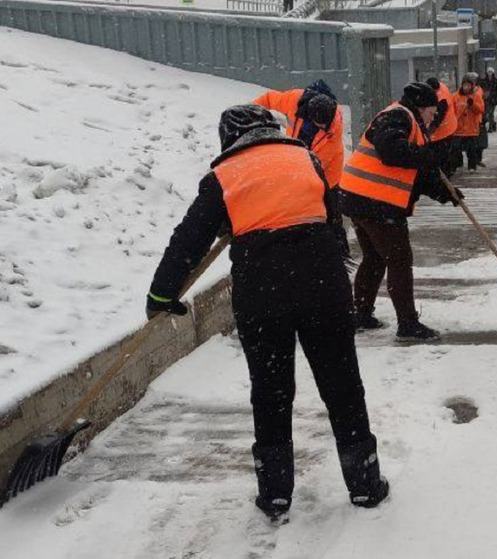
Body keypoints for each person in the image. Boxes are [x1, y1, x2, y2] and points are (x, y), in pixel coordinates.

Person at [146, 105, 388, 523]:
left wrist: (160, 294)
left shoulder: (223, 177)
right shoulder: (305, 158)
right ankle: (364, 484)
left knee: (272, 393)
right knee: (342, 385)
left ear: (229, 138)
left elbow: (187, 240)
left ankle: (275, 494)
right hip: (322, 288)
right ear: (271, 130)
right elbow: (330, 218)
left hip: (263, 296)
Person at [338, 83, 462, 342]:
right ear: (421, 107)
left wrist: (446, 193)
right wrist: (423, 154)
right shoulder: (398, 116)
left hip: (360, 197)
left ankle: (360, 314)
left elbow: (417, 173)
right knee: (399, 259)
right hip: (374, 201)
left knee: (374, 258)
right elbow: (391, 151)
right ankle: (407, 324)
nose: (433, 117)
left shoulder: (410, 123)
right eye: (431, 112)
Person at [252, 81, 349, 255]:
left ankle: (338, 254)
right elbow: (267, 99)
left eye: (324, 124)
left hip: (328, 174)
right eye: (318, 123)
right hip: (297, 161)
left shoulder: (333, 130)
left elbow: (315, 165)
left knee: (330, 214)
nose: (321, 127)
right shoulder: (294, 99)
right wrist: (249, 118)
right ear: (310, 115)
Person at [451, 73, 485, 173]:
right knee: (455, 149)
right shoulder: (455, 97)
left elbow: (480, 110)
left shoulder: (476, 96)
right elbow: (452, 111)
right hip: (458, 129)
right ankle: (455, 165)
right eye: (464, 85)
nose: (466, 87)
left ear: (472, 86)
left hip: (471, 129)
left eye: (468, 85)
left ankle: (472, 166)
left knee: (471, 150)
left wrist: (472, 104)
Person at [426, 77, 458, 178]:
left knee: (441, 154)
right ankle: (445, 172)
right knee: (444, 152)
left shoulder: (441, 99)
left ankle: (444, 174)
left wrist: (429, 132)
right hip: (449, 125)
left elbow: (437, 119)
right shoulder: (442, 87)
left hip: (445, 129)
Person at [478, 67, 497, 133]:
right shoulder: (483, 81)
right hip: (485, 99)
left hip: (492, 100)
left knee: (490, 113)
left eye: (491, 72)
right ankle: (491, 124)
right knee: (486, 113)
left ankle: (491, 127)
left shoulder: (496, 81)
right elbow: (480, 89)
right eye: (489, 72)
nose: (490, 73)